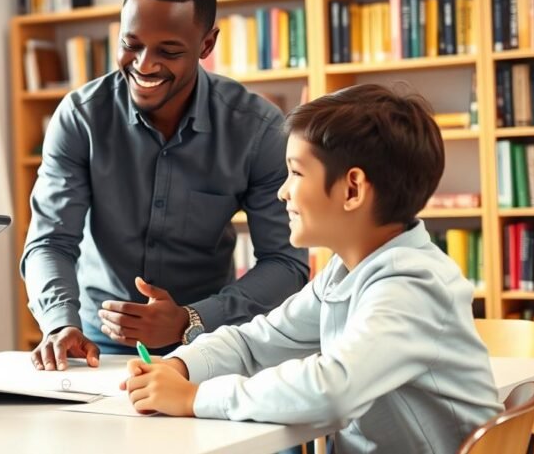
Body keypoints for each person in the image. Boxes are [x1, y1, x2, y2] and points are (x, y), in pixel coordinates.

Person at [122, 84, 502, 452]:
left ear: (352, 190)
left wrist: (196, 398)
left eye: (296, 173)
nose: (282, 192)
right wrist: (180, 366)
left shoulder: (412, 285)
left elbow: (332, 389)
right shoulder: (346, 272)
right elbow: (257, 341)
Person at [21, 0, 308, 371]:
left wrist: (191, 320)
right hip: (96, 348)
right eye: (131, 44)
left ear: (207, 45)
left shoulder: (256, 130)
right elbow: (50, 241)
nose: (144, 64)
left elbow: (286, 262)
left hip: (210, 347)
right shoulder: (81, 118)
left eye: (168, 51)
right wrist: (58, 323)